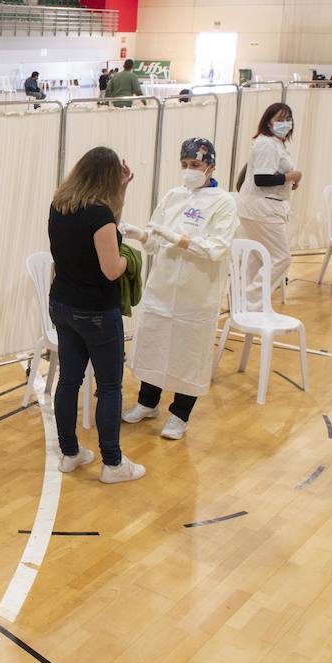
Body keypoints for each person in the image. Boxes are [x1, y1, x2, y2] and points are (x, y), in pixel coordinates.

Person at [123, 138, 237, 439]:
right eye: (185, 165)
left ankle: (180, 414)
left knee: (188, 352)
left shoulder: (223, 202)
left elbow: (216, 248)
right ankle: (148, 402)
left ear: (210, 165)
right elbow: (156, 239)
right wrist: (141, 236)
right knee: (155, 343)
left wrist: (179, 239)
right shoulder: (175, 196)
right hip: (163, 286)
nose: (189, 171)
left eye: (195, 165)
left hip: (196, 293)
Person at [46, 146, 145, 485]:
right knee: (109, 387)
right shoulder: (99, 216)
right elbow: (111, 269)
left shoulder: (60, 205)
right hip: (96, 312)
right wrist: (130, 259)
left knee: (69, 381)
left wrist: (122, 191)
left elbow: (103, 228)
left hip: (62, 305)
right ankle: (113, 463)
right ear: (107, 179)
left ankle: (70, 453)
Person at [235, 102, 300, 302]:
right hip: (262, 209)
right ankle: (250, 301)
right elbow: (261, 179)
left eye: (288, 119)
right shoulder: (266, 143)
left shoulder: (275, 143)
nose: (285, 123)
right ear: (268, 123)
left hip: (261, 207)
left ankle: (244, 304)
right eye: (280, 119)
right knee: (281, 258)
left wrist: (288, 180)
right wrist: (291, 176)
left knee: (257, 259)